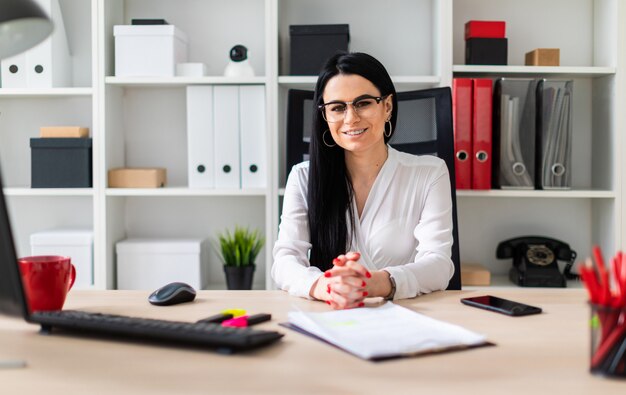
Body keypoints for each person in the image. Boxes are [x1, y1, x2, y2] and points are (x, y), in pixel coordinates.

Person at [272, 51, 454, 309]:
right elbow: (285, 260)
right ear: (325, 116)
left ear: (387, 106)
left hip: (406, 316)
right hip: (329, 316)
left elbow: (439, 265)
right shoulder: (303, 177)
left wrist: (375, 283)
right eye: (337, 107)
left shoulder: (430, 173)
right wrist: (326, 286)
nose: (351, 118)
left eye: (363, 103)